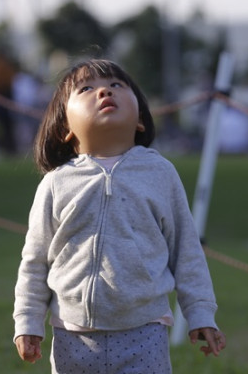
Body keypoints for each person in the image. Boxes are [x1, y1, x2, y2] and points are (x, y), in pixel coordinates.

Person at [13, 59, 226, 372]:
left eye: (116, 85)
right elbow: (35, 261)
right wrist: (28, 322)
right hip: (72, 336)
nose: (104, 92)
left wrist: (201, 313)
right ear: (65, 129)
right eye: (87, 89)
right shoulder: (56, 184)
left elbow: (186, 252)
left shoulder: (160, 173)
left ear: (140, 119)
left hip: (145, 332)